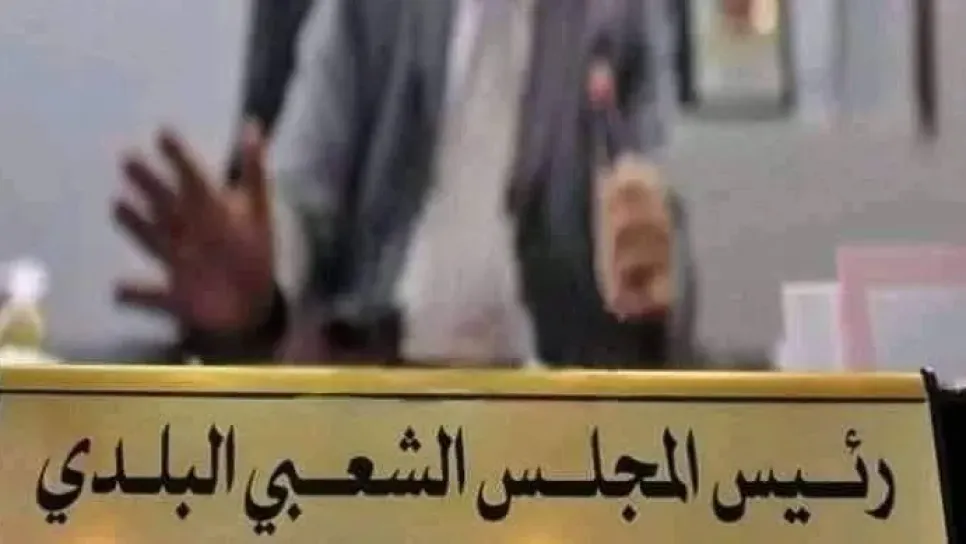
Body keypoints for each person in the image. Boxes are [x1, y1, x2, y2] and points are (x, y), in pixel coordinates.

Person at [113, 0, 698, 368]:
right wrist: (266, 275)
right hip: (379, 379)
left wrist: (652, 258)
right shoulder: (366, 12)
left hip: (545, 396)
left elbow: (660, 198)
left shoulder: (626, 16)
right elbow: (301, 193)